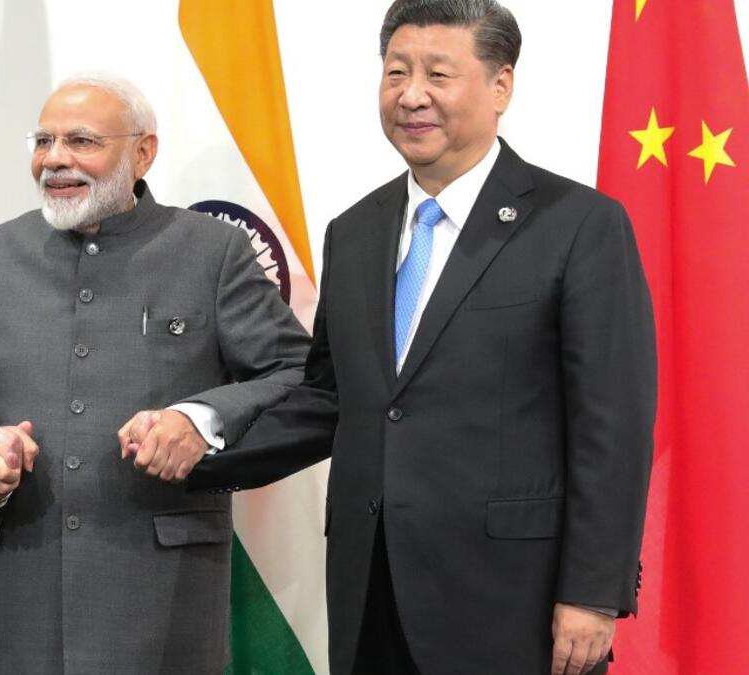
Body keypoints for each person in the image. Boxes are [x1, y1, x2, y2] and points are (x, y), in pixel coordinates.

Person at [181, 2, 656, 673]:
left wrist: (593, 592)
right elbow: (329, 400)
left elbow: (612, 423)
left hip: (513, 598)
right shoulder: (355, 232)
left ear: (501, 86)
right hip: (369, 588)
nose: (411, 95)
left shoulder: (579, 224)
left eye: (438, 73)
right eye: (395, 72)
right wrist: (196, 438)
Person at [0, 73, 309, 674]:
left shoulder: (212, 252)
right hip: (17, 595)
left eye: (81, 141)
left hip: (162, 593)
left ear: (143, 152)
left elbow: (299, 372)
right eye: (43, 141)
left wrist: (199, 419)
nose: (55, 160)